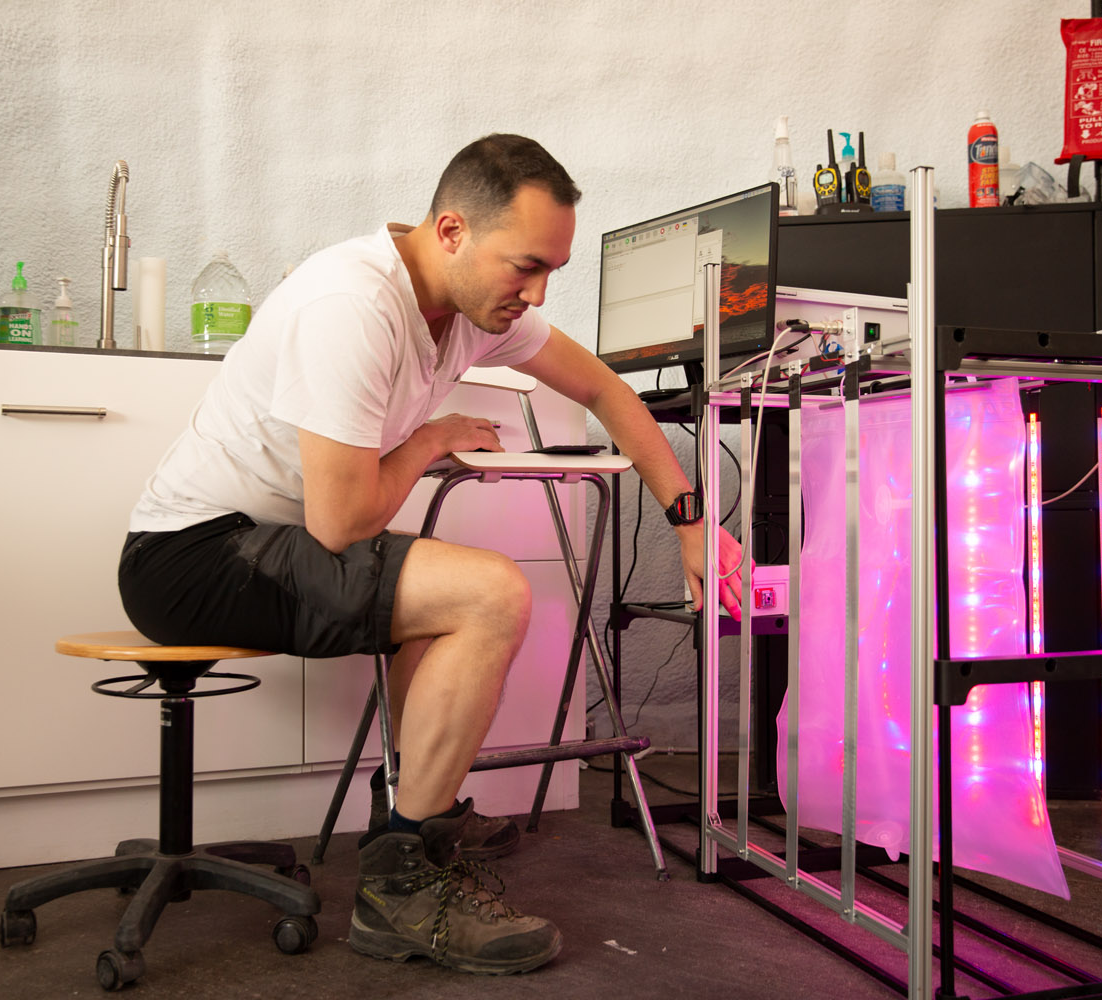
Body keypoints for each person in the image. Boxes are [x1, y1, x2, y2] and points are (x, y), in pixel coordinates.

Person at [118, 134, 743, 975]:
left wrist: (691, 521)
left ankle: (419, 818)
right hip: (191, 556)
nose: (537, 292)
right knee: (489, 593)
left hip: (263, 540)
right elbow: (343, 525)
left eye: (551, 270)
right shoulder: (353, 305)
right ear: (451, 231)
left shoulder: (468, 311)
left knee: (446, 600)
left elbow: (604, 389)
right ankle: (400, 890)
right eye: (525, 266)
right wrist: (427, 438)